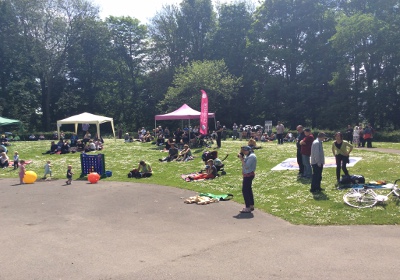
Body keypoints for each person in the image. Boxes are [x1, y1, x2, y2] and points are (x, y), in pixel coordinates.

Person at [238, 146, 257, 213]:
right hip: (247, 174)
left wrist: (242, 159)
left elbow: (246, 166)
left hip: (249, 175)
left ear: (248, 150)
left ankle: (247, 207)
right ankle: (251, 205)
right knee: (248, 189)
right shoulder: (249, 156)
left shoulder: (251, 157)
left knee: (245, 190)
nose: (244, 153)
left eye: (244, 151)